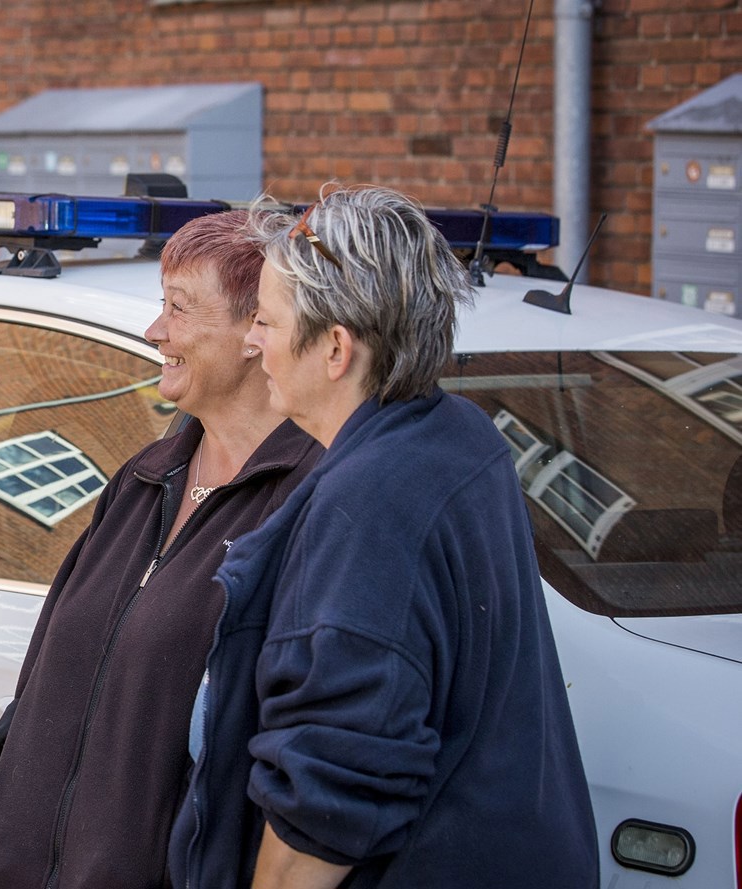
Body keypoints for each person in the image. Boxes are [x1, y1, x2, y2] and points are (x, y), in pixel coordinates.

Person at [168, 185, 599, 889]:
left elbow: (329, 800)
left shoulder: (367, 506)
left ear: (335, 348)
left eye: (269, 324)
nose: (253, 341)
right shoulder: (460, 437)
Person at [0, 211, 323, 889]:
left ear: (258, 332)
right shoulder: (144, 476)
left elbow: (295, 753)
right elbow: (47, 663)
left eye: (178, 308)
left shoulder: (307, 502)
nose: (155, 330)